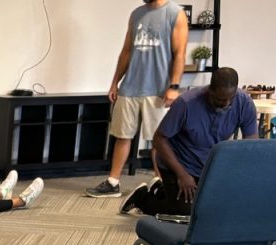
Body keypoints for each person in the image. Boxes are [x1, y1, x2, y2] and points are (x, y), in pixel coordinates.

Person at [119, 68, 257, 216]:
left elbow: (251, 143)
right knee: (189, 215)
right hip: (177, 163)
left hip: (207, 165)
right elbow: (159, 140)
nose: (226, 103)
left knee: (216, 210)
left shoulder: (244, 103)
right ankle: (143, 198)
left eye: (231, 98)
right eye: (220, 99)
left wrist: (240, 174)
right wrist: (182, 174)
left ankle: (161, 190)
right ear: (210, 90)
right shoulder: (186, 103)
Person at [85, 0, 188, 199]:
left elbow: (180, 54)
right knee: (122, 135)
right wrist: (115, 82)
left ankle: (162, 184)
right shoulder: (137, 14)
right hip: (130, 87)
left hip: (157, 89)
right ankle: (113, 182)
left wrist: (174, 86)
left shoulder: (175, 13)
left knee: (159, 140)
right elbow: (126, 51)